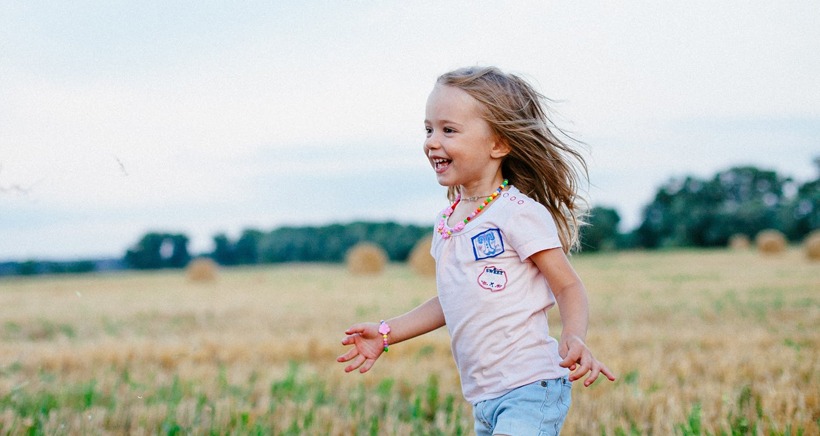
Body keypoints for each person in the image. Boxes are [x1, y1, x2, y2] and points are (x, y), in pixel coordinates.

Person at [337, 66, 615, 435]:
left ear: (498, 144)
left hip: (531, 388)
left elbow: (567, 286)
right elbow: (451, 299)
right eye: (428, 129)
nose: (432, 141)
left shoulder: (518, 214)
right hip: (484, 398)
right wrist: (388, 332)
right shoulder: (448, 220)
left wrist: (574, 335)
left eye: (448, 130)